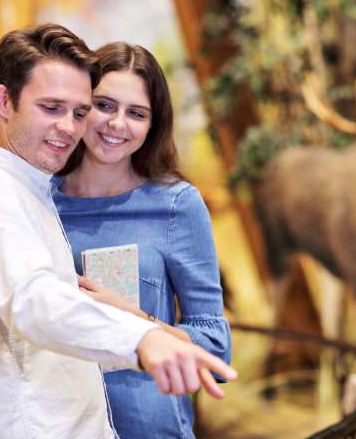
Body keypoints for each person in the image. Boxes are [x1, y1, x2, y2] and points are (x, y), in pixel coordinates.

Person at [0, 23, 236, 439]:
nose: (69, 126)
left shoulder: (32, 193)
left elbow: (213, 342)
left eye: (78, 111)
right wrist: (141, 337)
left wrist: (141, 323)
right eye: (51, 108)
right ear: (4, 100)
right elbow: (34, 300)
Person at [52, 41, 230, 438]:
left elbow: (215, 346)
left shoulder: (175, 206)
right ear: (82, 105)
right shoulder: (40, 201)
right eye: (105, 105)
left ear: (153, 125)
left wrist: (135, 320)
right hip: (59, 424)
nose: (117, 124)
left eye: (136, 113)